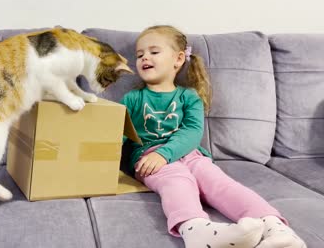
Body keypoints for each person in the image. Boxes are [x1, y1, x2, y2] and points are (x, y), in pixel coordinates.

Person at [119, 25, 306, 248]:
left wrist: (166, 152)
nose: (144, 58)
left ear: (178, 59)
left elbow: (192, 131)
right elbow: (116, 134)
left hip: (191, 154)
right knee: (176, 180)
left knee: (220, 183)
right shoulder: (132, 99)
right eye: (139, 55)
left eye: (154, 52)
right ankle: (196, 230)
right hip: (150, 159)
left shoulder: (189, 97)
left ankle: (275, 228)